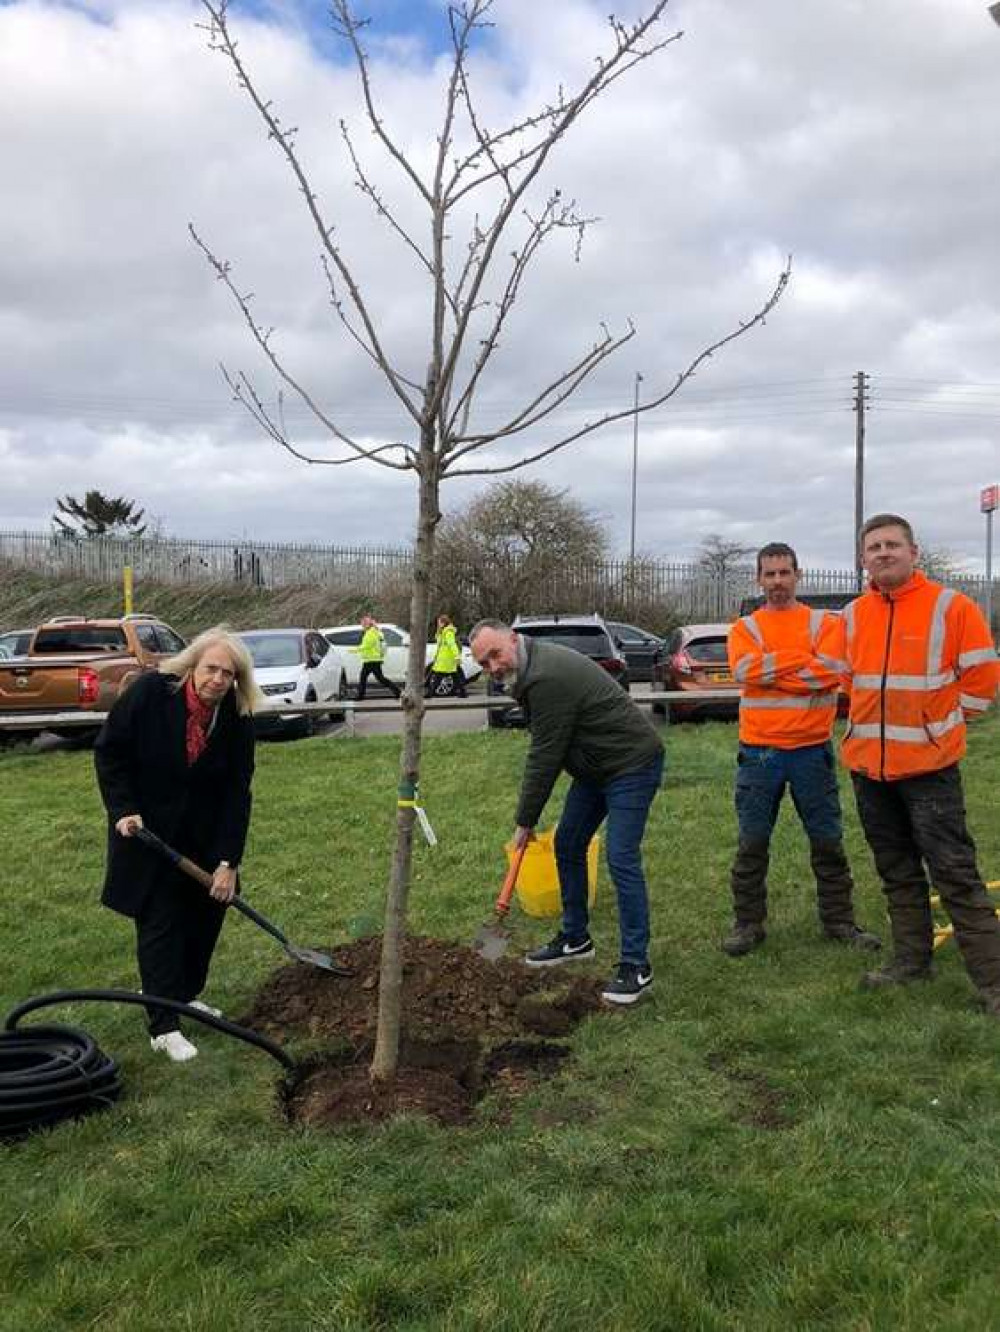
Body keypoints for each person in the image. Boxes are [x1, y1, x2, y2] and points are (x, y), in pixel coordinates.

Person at [819, 513, 1000, 1010]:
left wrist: (937, 725)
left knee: (955, 873)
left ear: (913, 552)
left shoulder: (952, 607)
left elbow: (982, 682)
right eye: (874, 547)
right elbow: (845, 681)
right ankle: (910, 962)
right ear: (863, 560)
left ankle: (993, 982)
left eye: (892, 544)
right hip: (870, 770)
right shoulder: (853, 615)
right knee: (896, 870)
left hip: (930, 770)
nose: (883, 553)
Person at [469, 618, 664, 1005]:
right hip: (595, 767)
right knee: (568, 843)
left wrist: (525, 820)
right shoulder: (530, 667)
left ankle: (636, 966)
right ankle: (576, 939)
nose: (493, 668)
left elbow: (545, 754)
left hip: (631, 763)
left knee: (621, 857)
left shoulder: (545, 678)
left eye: (495, 655)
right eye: (483, 664)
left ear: (513, 638)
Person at [94, 627, 261, 1062]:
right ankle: (163, 1025)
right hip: (149, 835)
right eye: (211, 668)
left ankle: (183, 996)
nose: (218, 680)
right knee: (161, 924)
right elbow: (111, 752)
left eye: (229, 673)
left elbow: (237, 792)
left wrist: (228, 861)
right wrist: (123, 809)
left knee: (206, 918)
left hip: (204, 841)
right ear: (192, 666)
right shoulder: (152, 693)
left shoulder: (236, 717)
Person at [722, 543, 881, 957]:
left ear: (798, 574)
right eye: (769, 574)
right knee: (752, 842)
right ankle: (747, 924)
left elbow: (830, 673)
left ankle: (839, 921)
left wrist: (774, 669)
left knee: (827, 839)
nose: (777, 582)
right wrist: (802, 661)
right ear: (759, 578)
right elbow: (744, 671)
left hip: (811, 750)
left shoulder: (824, 623)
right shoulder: (744, 628)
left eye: (784, 573)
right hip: (760, 753)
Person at [356, 614, 401, 701]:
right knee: (380, 678)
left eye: (363, 623)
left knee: (365, 678)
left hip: (371, 660)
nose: (362, 625)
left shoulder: (371, 633)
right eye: (362, 623)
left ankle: (360, 696)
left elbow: (367, 645)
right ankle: (398, 692)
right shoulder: (374, 631)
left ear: (367, 624)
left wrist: (354, 650)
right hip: (373, 659)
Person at [426, 614, 467, 697]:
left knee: (438, 676)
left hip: (446, 659)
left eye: (439, 622)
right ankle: (463, 692)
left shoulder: (448, 632)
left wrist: (457, 656)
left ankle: (430, 693)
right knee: (454, 676)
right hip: (443, 658)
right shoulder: (443, 632)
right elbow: (440, 644)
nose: (438, 624)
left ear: (444, 622)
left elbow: (452, 644)